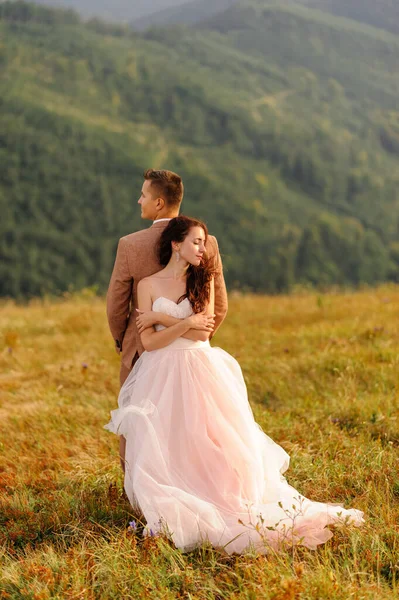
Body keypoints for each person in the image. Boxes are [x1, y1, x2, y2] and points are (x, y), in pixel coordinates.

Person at [104, 216, 364, 555]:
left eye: (203, 242)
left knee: (212, 439)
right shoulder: (149, 284)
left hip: (200, 366)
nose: (202, 248)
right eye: (196, 242)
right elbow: (150, 344)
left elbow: (203, 333)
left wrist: (164, 319)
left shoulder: (203, 279)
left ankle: (223, 497)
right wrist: (186, 321)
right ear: (175, 244)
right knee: (171, 441)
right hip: (160, 372)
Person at [106, 169, 228, 472]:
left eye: (144, 195)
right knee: (198, 424)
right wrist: (200, 336)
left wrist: (124, 341)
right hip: (194, 351)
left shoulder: (130, 244)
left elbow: (116, 305)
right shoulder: (206, 241)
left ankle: (136, 491)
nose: (139, 200)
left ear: (159, 203)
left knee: (137, 418)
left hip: (142, 347)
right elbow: (220, 305)